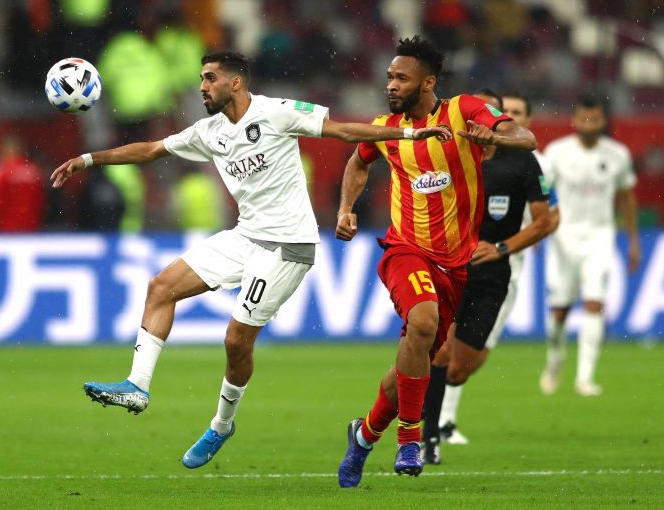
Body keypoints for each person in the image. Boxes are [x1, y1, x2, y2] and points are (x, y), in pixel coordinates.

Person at [50, 51, 450, 470]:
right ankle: (137, 385)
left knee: (236, 340)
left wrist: (408, 137)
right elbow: (150, 150)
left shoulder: (277, 113)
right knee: (160, 287)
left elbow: (344, 133)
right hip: (246, 235)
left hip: (288, 246)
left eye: (209, 78)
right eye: (201, 79)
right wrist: (88, 159)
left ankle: (222, 425)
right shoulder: (209, 132)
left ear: (235, 83)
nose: (202, 87)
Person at [334, 36, 537, 487]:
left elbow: (527, 137)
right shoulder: (386, 128)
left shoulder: (464, 110)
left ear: (427, 82)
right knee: (423, 326)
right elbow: (357, 162)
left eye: (400, 78)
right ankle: (410, 438)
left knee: (415, 355)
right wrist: (346, 208)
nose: (390, 85)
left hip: (456, 265)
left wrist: (496, 133)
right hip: (404, 250)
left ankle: (363, 436)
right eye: (388, 77)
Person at [420, 89, 554, 464]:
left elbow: (544, 222)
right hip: (450, 266)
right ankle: (426, 438)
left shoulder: (522, 162)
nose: (473, 120)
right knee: (441, 351)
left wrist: (501, 248)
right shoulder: (446, 154)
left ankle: (421, 406)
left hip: (494, 272)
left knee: (461, 367)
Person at [539, 94, 640, 397]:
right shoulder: (557, 153)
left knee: (595, 302)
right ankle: (555, 360)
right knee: (559, 312)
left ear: (603, 121)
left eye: (594, 119)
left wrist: (633, 239)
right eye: (583, 118)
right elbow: (542, 192)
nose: (588, 124)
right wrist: (536, 227)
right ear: (574, 120)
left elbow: (625, 196)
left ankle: (585, 378)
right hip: (563, 237)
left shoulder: (618, 155)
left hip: (600, 236)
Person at [0, 134, 46, 232]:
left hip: (4, 232)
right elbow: (41, 202)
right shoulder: (33, 170)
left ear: (5, 150)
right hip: (31, 230)